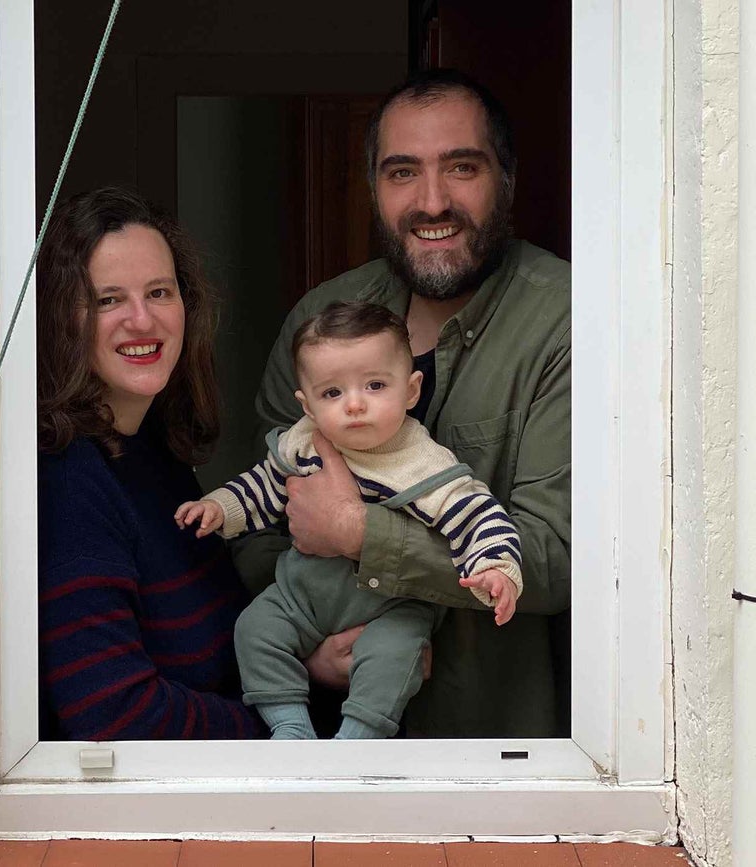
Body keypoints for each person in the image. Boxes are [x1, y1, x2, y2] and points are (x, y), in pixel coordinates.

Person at [232, 68, 572, 738]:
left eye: (462, 167)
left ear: (508, 179)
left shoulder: (564, 319)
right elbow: (255, 531)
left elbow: (555, 557)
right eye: (402, 172)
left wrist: (360, 534)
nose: (433, 200)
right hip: (325, 738)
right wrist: (311, 645)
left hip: (492, 745)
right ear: (373, 189)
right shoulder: (318, 320)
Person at [176, 302, 522, 739]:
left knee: (397, 652)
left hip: (388, 609)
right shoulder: (303, 445)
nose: (355, 405)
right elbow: (263, 488)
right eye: (332, 394)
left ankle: (358, 737)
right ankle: (289, 725)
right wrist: (220, 508)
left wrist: (494, 566)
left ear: (411, 390)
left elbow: (477, 515)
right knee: (255, 628)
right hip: (302, 598)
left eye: (375, 385)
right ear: (307, 406)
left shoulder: (421, 464)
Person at [35, 187, 263, 740]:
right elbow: (115, 718)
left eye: (158, 292)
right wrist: (278, 731)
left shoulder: (153, 451)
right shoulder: (68, 480)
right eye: (107, 299)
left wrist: (308, 668)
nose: (142, 320)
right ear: (62, 319)